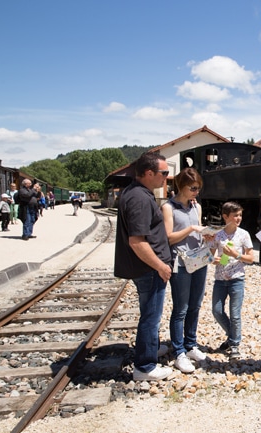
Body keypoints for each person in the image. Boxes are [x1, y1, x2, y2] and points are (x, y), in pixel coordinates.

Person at [114, 152, 173, 381]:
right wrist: (161, 266)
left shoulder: (136, 192)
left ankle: (150, 349)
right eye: (164, 173)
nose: (166, 178)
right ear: (149, 173)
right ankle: (145, 367)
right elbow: (137, 241)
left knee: (150, 315)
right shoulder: (139, 198)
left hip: (148, 268)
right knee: (151, 317)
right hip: (149, 269)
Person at [161, 168, 209, 374]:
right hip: (180, 262)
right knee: (181, 308)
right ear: (182, 186)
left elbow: (199, 231)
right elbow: (169, 238)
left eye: (198, 188)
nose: (196, 192)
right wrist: (191, 229)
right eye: (193, 188)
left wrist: (208, 235)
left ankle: (190, 344)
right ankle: (178, 350)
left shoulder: (196, 207)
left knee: (195, 305)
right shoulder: (168, 208)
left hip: (199, 260)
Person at [210, 201, 254, 360]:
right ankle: (232, 336)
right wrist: (213, 258)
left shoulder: (244, 234)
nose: (239, 218)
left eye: (240, 215)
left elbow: (251, 258)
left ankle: (234, 344)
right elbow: (210, 254)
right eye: (235, 215)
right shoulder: (218, 234)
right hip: (220, 279)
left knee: (235, 314)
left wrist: (237, 255)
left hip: (237, 279)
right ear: (225, 216)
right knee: (216, 311)